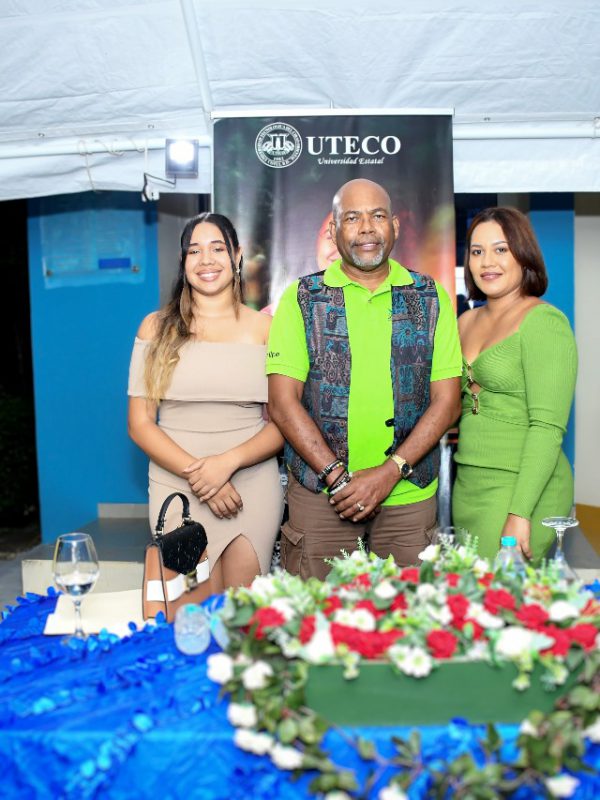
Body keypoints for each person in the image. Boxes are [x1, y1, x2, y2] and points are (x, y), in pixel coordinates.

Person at [267, 178, 462, 580]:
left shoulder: (430, 297)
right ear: (334, 230)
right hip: (323, 499)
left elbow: (448, 403)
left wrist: (389, 473)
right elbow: (282, 403)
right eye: (353, 218)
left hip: (408, 498)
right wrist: (338, 479)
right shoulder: (302, 298)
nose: (367, 228)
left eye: (377, 216)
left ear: (395, 226)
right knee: (316, 614)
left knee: (410, 613)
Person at [128, 212, 284, 593]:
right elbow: (140, 423)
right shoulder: (155, 328)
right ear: (183, 262)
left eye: (217, 248)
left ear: (237, 255)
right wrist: (203, 477)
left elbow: (286, 422)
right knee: (187, 611)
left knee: (243, 611)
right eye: (194, 251)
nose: (206, 260)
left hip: (250, 485)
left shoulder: (268, 329)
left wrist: (226, 464)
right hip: (176, 486)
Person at [452, 207, 577, 563]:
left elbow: (548, 427)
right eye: (477, 251)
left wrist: (520, 512)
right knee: (469, 590)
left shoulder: (544, 322)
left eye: (501, 249)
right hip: (468, 483)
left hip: (523, 489)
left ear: (524, 255)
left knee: (504, 591)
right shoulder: (466, 321)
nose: (487, 262)